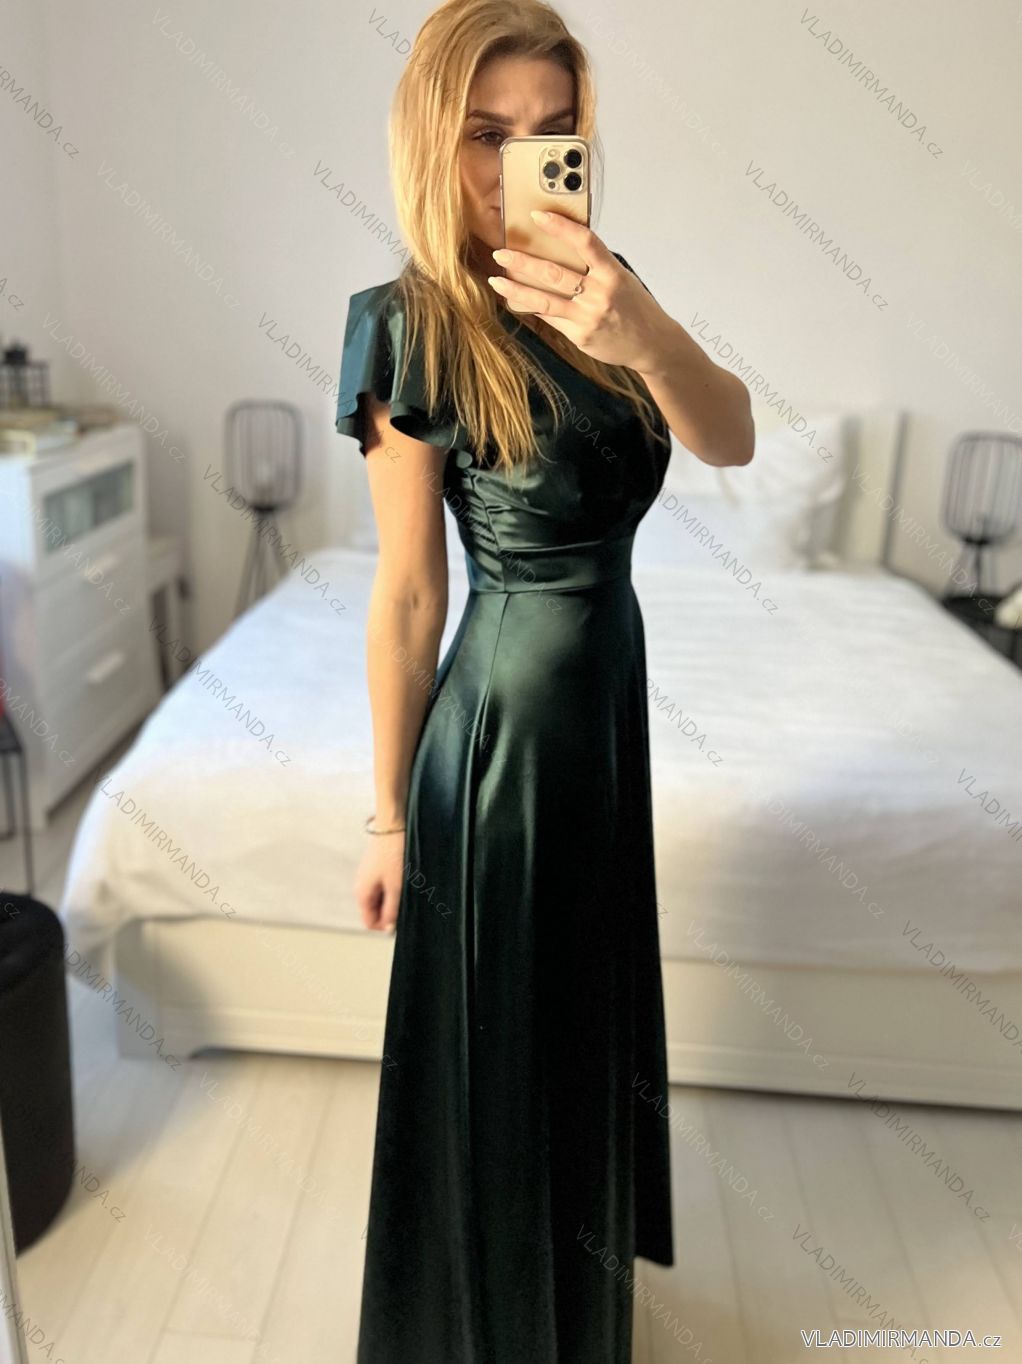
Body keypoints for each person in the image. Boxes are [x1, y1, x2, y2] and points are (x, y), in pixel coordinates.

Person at [334, 1, 754, 1358]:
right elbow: (410, 595)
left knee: (579, 1023)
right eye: (486, 133)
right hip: (503, 734)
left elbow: (733, 436)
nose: (519, 161)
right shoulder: (406, 326)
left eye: (552, 131)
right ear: (429, 139)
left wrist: (645, 337)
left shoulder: (603, 293)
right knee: (506, 1043)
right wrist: (390, 815)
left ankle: (579, 1305)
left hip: (603, 713)